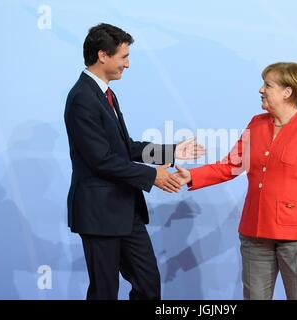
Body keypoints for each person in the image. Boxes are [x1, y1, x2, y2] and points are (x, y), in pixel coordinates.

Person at [64, 23, 204, 300]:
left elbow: (125, 148)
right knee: (105, 292)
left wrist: (172, 152)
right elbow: (101, 160)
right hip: (99, 214)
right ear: (103, 55)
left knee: (148, 282)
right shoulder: (82, 97)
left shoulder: (106, 94)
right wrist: (153, 177)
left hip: (125, 212)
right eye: (123, 57)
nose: (127, 65)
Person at [174, 62, 297, 300]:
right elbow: (231, 165)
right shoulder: (257, 123)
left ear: (287, 92)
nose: (261, 90)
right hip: (255, 233)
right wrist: (192, 175)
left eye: (267, 85)